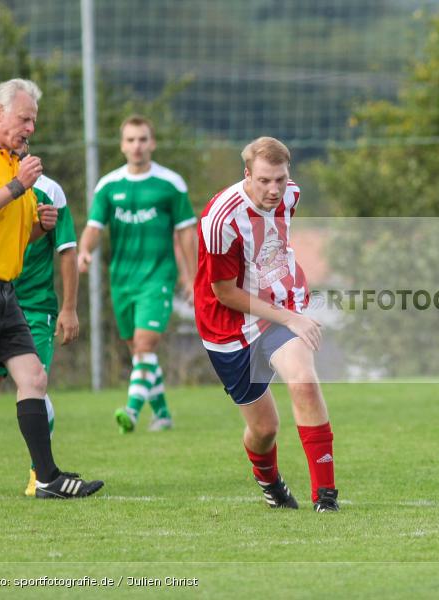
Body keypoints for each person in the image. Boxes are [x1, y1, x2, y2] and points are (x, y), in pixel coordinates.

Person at [0, 78, 102, 499]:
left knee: (34, 377)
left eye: (34, 121)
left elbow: (11, 237)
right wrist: (15, 189)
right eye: (24, 118)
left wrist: (38, 230)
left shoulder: (17, 166)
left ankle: (46, 478)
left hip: (5, 293)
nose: (30, 128)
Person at [194, 136, 339, 512]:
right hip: (228, 326)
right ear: (247, 175)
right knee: (264, 430)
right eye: (264, 181)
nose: (274, 189)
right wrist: (291, 316)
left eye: (280, 179)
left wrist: (291, 304)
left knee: (304, 382)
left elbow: (276, 243)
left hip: (277, 307)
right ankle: (270, 483)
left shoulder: (292, 194)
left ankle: (326, 496)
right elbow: (225, 293)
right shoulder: (220, 220)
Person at [78, 116, 197, 434]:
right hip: (122, 279)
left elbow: (186, 232)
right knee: (138, 350)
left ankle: (131, 411)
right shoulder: (109, 185)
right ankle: (163, 415)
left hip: (157, 276)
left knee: (145, 344)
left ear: (152, 143)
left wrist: (191, 276)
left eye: (143, 139)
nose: (137, 146)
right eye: (130, 140)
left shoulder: (170, 184)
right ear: (122, 145)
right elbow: (93, 226)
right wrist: (85, 250)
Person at [0, 170, 79, 499]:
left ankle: (38, 473)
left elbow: (67, 249)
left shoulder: (48, 190)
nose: (25, 133)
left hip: (33, 305)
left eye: (30, 125)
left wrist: (69, 308)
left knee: (34, 381)